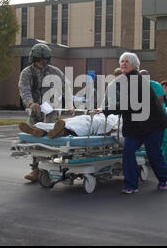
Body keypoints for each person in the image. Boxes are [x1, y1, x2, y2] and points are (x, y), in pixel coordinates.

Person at [97, 52, 167, 194]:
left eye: (127, 61)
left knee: (153, 153)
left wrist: (106, 110)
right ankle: (131, 184)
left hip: (152, 125)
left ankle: (165, 176)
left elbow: (129, 104)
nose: (123, 63)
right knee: (128, 151)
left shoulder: (138, 80)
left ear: (134, 65)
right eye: (122, 61)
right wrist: (105, 107)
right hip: (135, 126)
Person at [18, 43, 73, 182]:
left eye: (45, 59)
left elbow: (66, 86)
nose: (42, 62)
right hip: (35, 110)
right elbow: (24, 89)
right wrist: (30, 103)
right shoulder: (26, 73)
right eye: (39, 59)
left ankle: (46, 167)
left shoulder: (54, 71)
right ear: (33, 59)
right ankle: (36, 169)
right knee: (35, 139)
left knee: (48, 138)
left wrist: (70, 103)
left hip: (50, 110)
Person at [140, 70, 167, 167]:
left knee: (164, 140)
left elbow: (158, 101)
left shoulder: (156, 85)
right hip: (145, 116)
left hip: (159, 117)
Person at [19, 113, 120, 139]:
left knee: (82, 124)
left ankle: (43, 130)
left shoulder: (121, 116)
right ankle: (42, 130)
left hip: (101, 121)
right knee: (73, 120)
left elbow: (115, 128)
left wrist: (111, 128)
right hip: (93, 117)